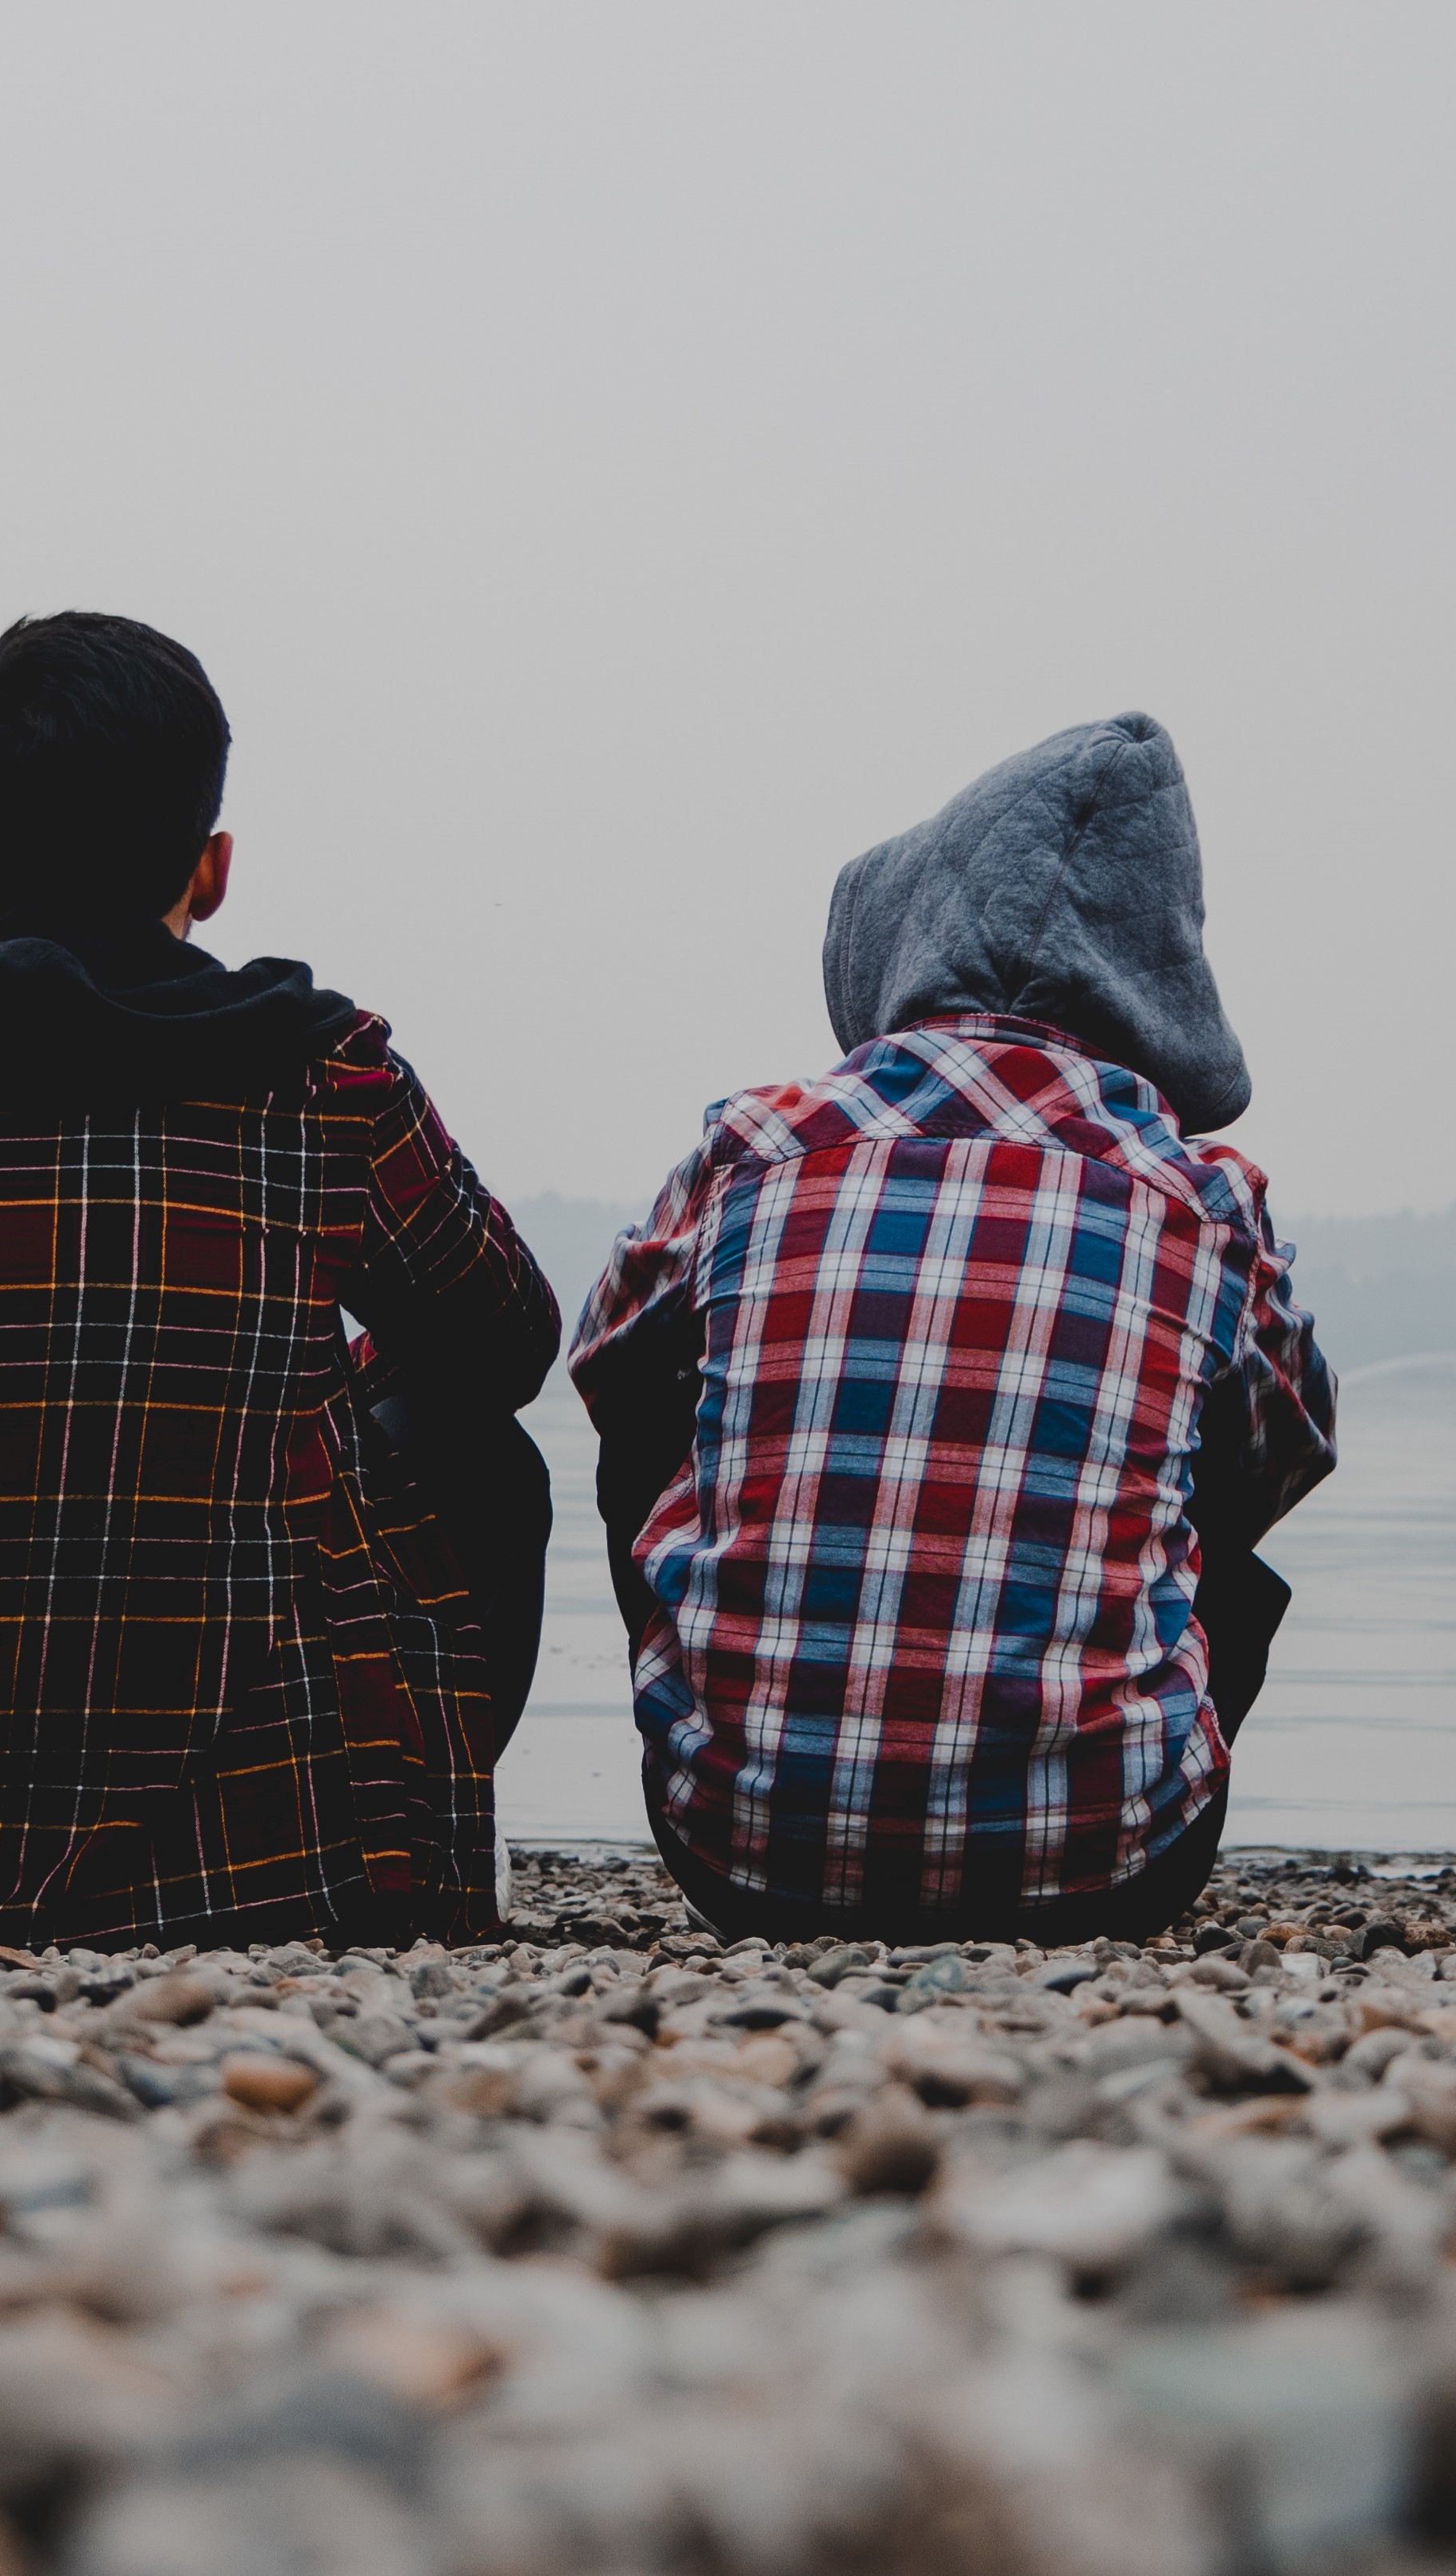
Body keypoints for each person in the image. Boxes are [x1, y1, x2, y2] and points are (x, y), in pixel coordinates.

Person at [0, 612, 559, 1952]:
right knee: (476, 1444)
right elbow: (506, 1346)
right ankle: (407, 1826)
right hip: (272, 1866)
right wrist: (317, 1402)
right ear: (214, 868)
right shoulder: (323, 1084)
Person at [572, 713, 1336, 1945]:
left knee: (659, 1409)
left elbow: (604, 1368)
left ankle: (757, 1733)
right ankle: (1080, 1755)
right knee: (1208, 1462)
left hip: (735, 1855)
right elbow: (1285, 1455)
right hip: (1105, 1871)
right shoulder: (1202, 1201)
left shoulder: (754, 1144)